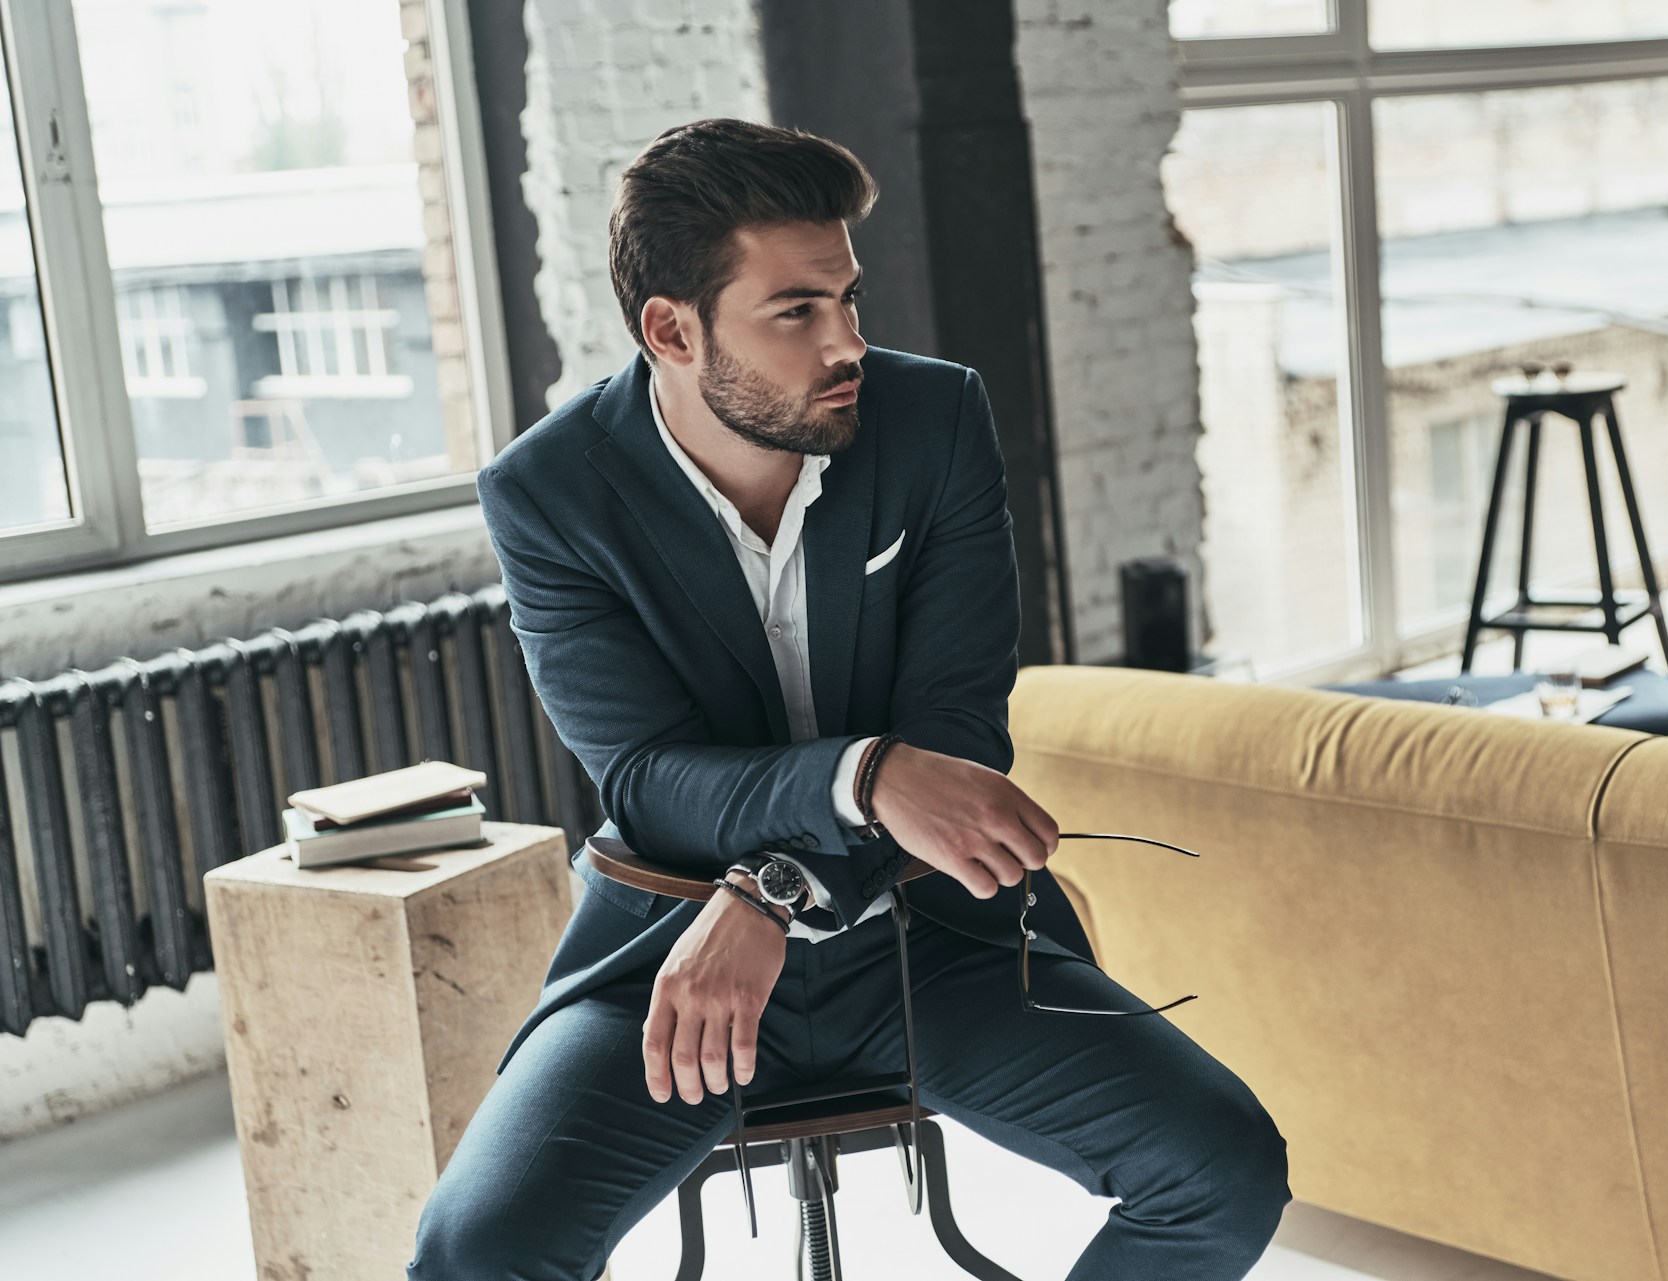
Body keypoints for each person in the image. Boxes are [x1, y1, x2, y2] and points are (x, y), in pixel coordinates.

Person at [407, 117, 1289, 1281]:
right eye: (797, 312)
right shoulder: (549, 493)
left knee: (1224, 1170)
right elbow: (648, 778)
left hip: (938, 941)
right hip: (674, 958)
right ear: (670, 329)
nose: (849, 343)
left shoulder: (934, 424)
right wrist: (867, 775)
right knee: (477, 1252)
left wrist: (773, 889)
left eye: (849, 300)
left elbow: (959, 735)